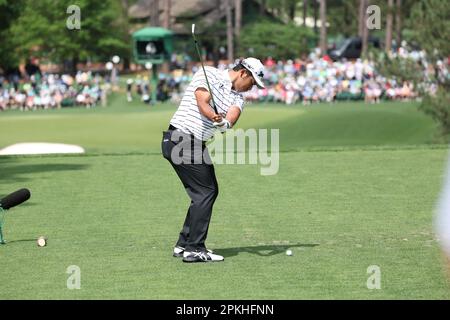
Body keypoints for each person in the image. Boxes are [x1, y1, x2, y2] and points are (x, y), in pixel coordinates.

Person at [161, 57, 265, 263]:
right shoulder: (209, 73)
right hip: (180, 138)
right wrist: (213, 116)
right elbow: (202, 101)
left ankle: (184, 244)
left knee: (206, 191)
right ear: (243, 73)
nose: (251, 88)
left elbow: (232, 118)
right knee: (205, 191)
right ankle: (194, 248)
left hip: (194, 144)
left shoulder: (239, 98)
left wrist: (224, 122)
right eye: (252, 82)